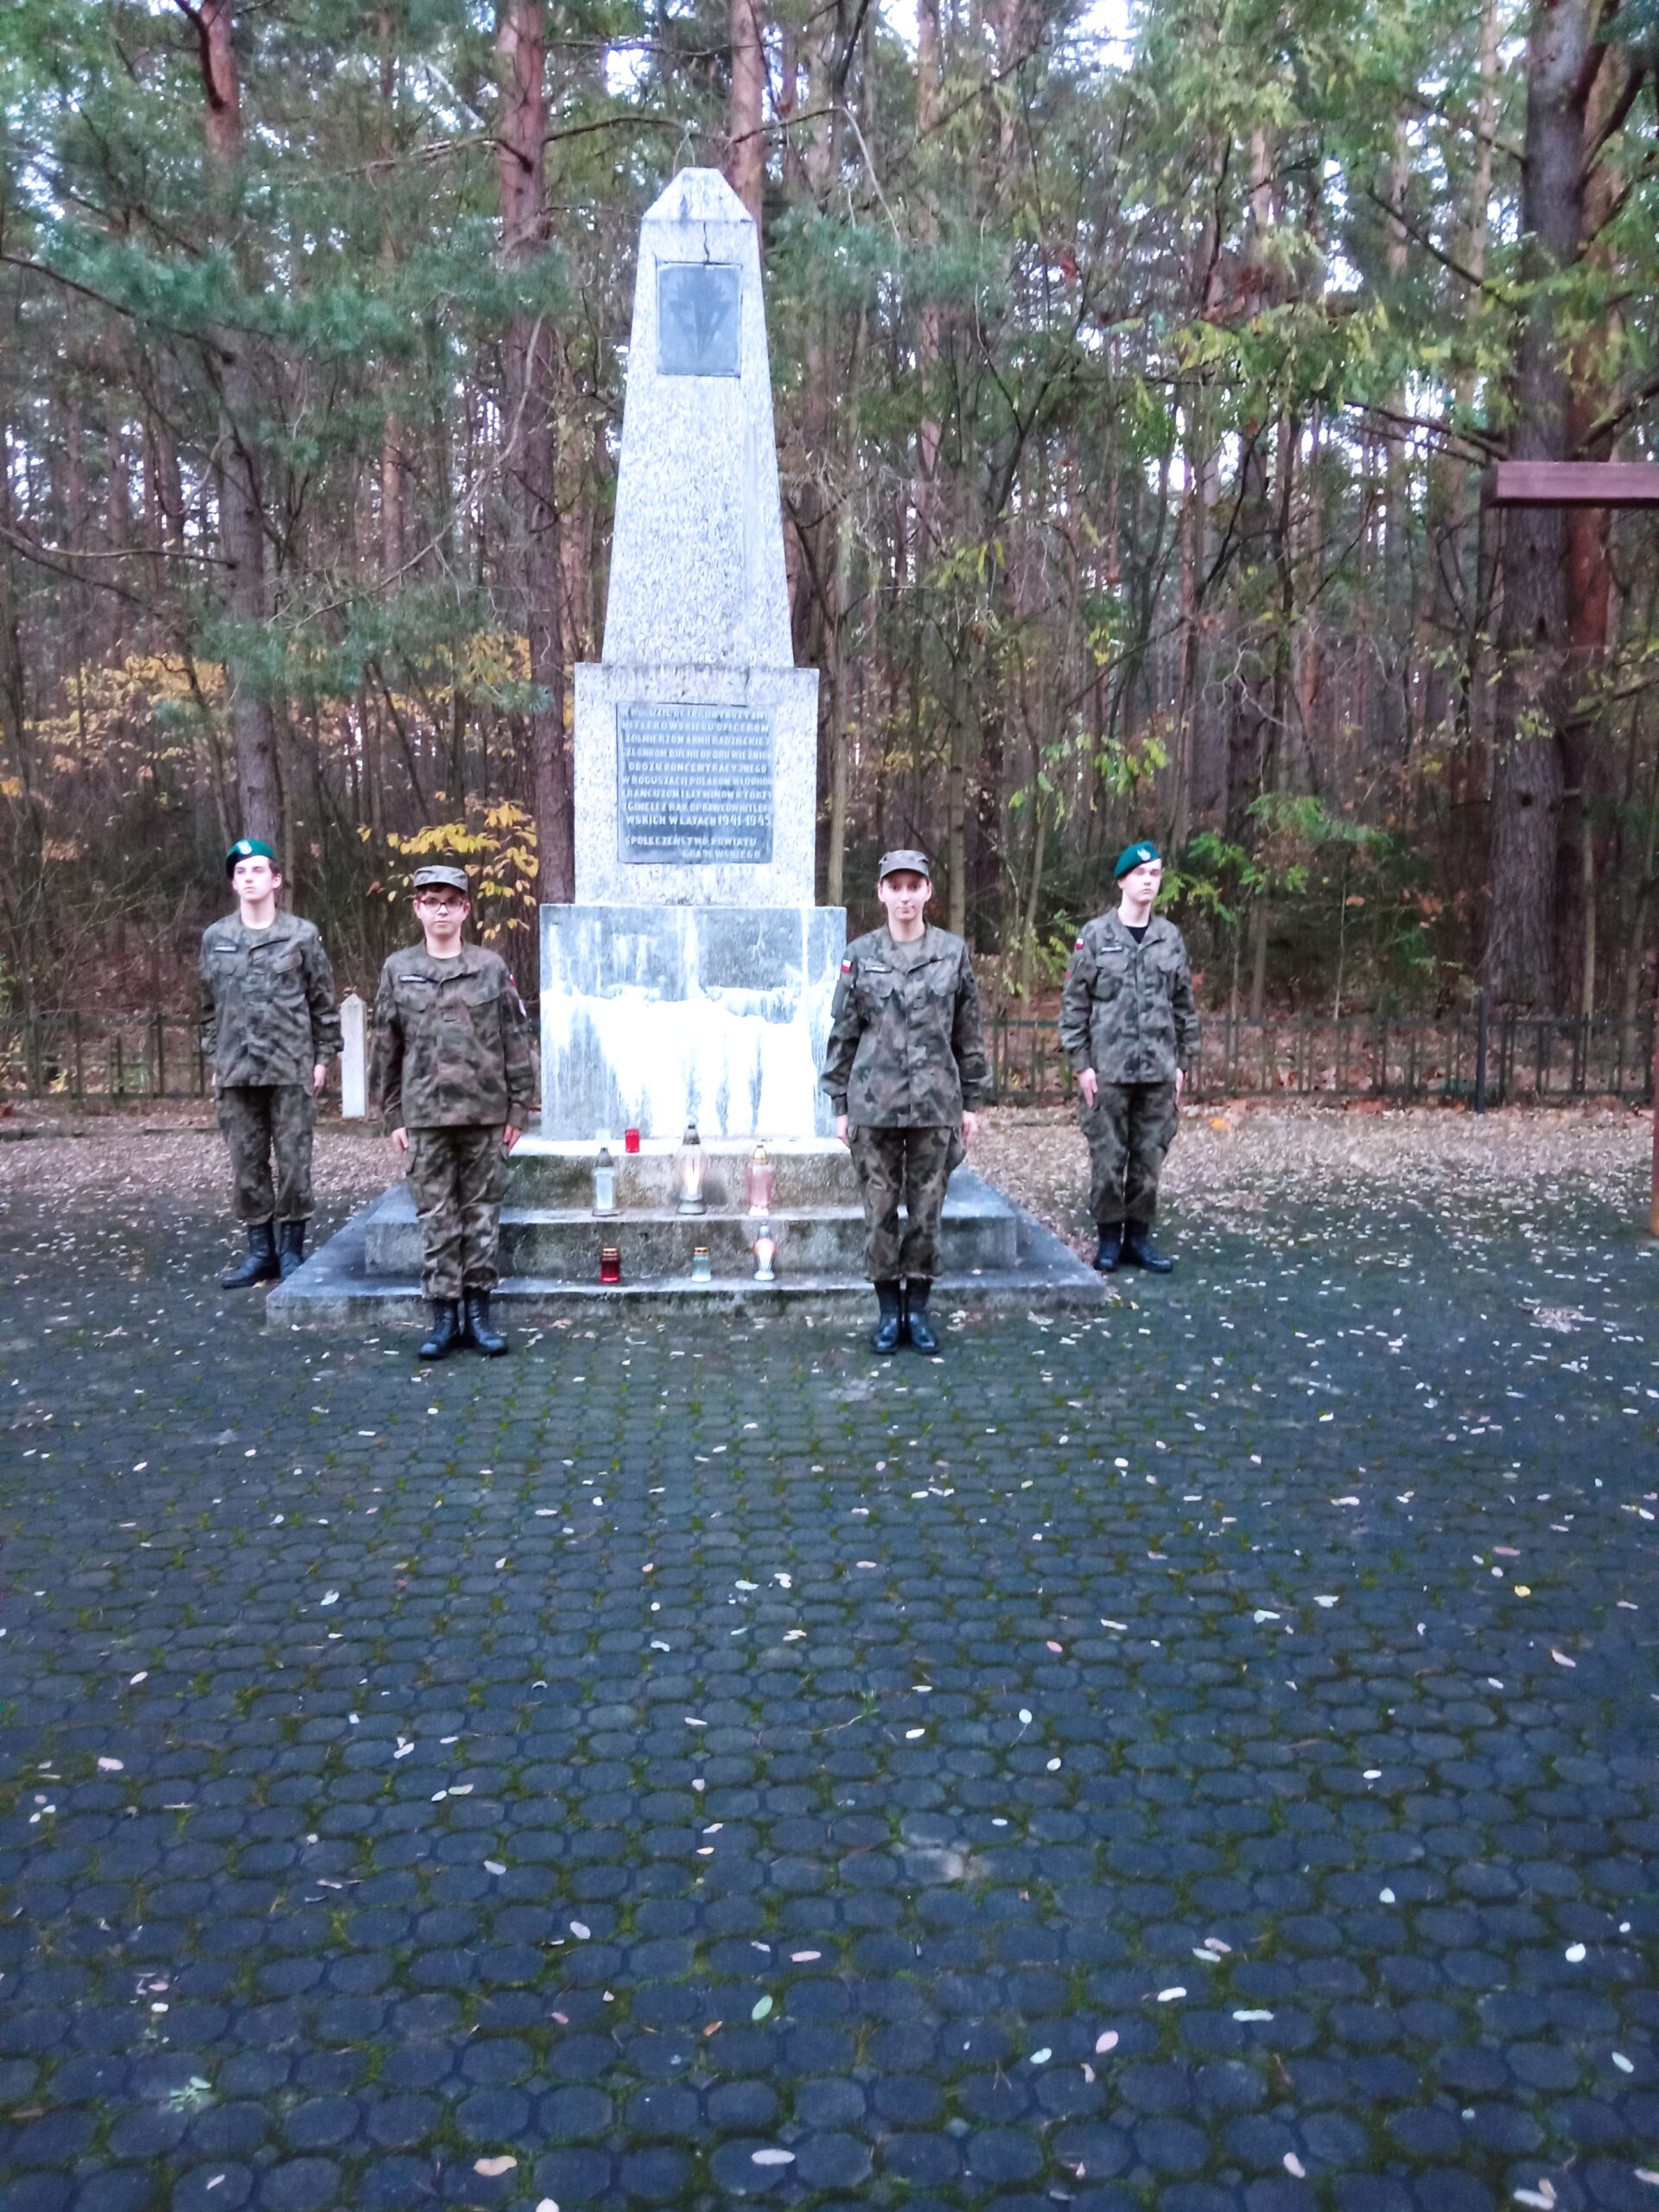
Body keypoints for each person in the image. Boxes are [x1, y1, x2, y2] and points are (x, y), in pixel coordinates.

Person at [821, 849, 989, 1354]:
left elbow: (968, 1032)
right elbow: (844, 1033)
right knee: (878, 1214)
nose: (905, 897)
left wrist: (972, 1102)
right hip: (873, 1106)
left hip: (935, 1106)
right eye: (895, 887)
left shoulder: (952, 953)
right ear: (881, 893)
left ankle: (916, 1310)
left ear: (928, 891)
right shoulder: (861, 954)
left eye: (914, 886)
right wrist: (839, 1104)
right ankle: (887, 1313)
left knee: (926, 1213)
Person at [369, 862, 536, 1360]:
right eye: (431, 901)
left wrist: (519, 1109)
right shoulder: (398, 969)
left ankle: (478, 1316)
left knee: (481, 1218)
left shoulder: (490, 967)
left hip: (485, 1115)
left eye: (450, 902)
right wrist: (393, 1115)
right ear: (417, 909)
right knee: (437, 1221)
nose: (441, 910)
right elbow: (385, 1047)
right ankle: (444, 1318)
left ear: (465, 909)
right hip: (426, 1118)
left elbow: (516, 1041)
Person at [200, 836, 340, 1289]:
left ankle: (291, 1251)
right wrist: (215, 1055)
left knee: (295, 1162)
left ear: (276, 880)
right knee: (247, 1164)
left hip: (290, 1066)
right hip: (237, 1070)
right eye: (240, 872)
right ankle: (260, 1252)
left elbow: (322, 1002)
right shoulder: (216, 939)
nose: (249, 878)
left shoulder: (301, 935)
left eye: (258, 870)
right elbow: (207, 1007)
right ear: (233, 883)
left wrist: (323, 1056)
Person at [1059, 840, 1198, 1274]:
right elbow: (1074, 1005)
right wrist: (1081, 1065)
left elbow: (1184, 1005)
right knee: (1107, 1157)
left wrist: (1183, 1064)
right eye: (1140, 874)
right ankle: (1108, 1239)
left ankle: (1138, 1239)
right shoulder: (1094, 937)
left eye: (1155, 874)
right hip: (1109, 1071)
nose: (1148, 882)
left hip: (1158, 1069)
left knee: (1149, 1157)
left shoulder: (1168, 938)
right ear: (1122, 880)